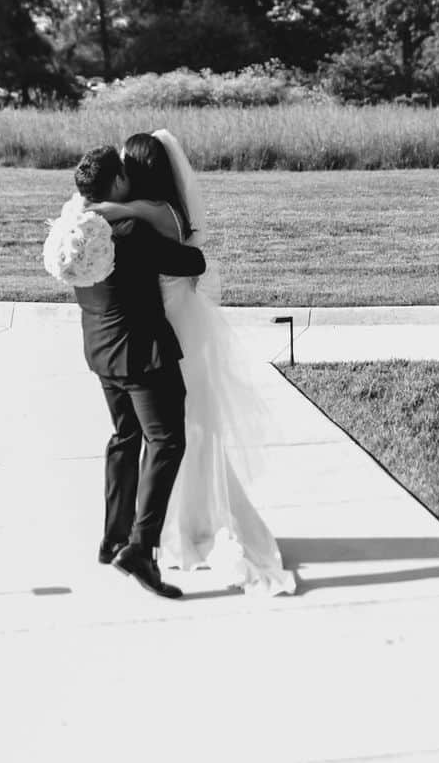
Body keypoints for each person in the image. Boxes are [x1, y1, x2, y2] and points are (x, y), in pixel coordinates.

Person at [88, 130, 296, 596]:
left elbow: (138, 223)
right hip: (156, 320)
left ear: (138, 170)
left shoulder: (155, 213)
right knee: (165, 430)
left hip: (169, 326)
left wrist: (96, 207)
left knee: (177, 428)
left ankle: (172, 527)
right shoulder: (138, 215)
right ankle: (145, 534)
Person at [70, 144, 207, 599]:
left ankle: (112, 539)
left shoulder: (75, 226)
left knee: (125, 439)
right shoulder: (128, 230)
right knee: (167, 442)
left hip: (101, 351)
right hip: (142, 354)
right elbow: (192, 262)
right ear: (118, 184)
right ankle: (140, 548)